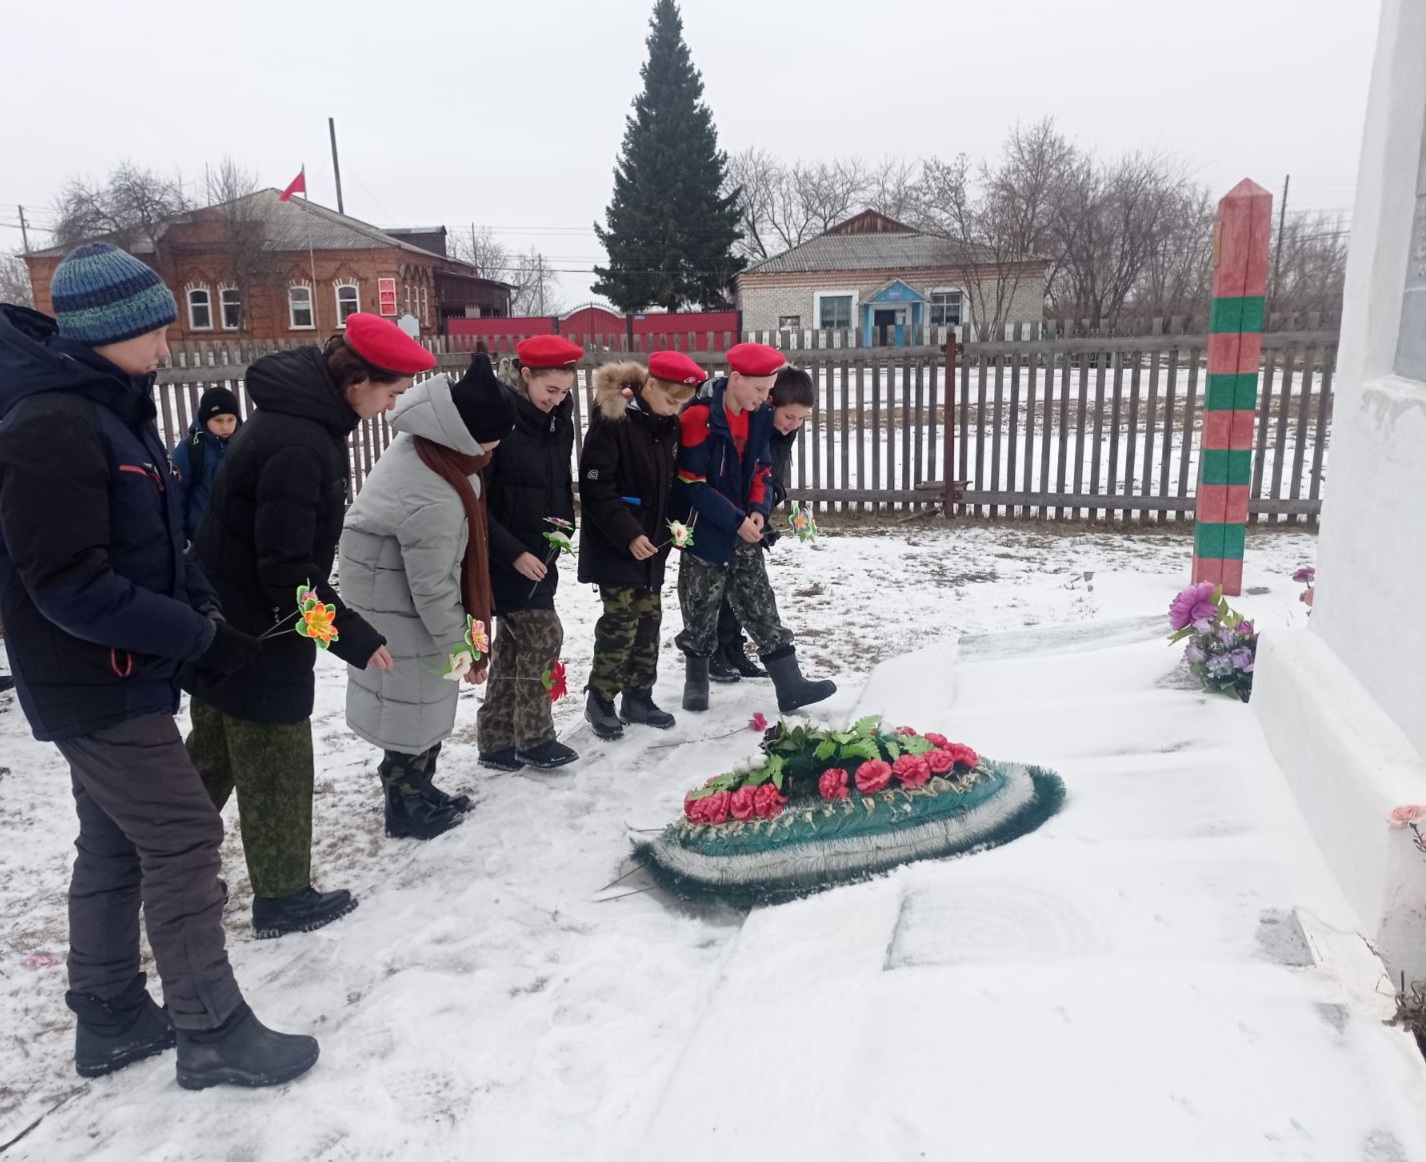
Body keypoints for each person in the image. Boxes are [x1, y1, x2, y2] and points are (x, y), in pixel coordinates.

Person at [0, 242, 318, 1089]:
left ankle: (107, 1015)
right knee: (182, 833)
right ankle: (209, 1027)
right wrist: (192, 635)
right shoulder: (51, 423)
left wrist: (202, 600)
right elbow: (66, 583)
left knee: (117, 841)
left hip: (122, 668)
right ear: (110, 330)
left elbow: (155, 542)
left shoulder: (110, 408)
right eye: (156, 330)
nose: (169, 347)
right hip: (93, 676)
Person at [186, 313, 422, 938]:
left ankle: (160, 864)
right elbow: (287, 570)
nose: (392, 405)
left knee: (208, 758)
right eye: (391, 391)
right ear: (358, 382)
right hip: (258, 636)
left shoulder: (299, 418)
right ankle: (283, 898)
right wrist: (352, 635)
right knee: (275, 763)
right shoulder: (300, 442)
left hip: (225, 623)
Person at [340, 353, 515, 838]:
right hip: (397, 608)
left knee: (428, 698)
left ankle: (422, 787)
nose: (498, 447)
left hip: (399, 597)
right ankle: (405, 803)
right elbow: (432, 586)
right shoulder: (435, 493)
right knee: (412, 705)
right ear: (468, 433)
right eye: (495, 436)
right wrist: (463, 643)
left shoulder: (435, 452)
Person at [675, 342, 836, 715]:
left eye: (769, 391)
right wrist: (737, 520)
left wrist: (760, 511)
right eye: (761, 390)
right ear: (736, 380)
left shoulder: (759, 418)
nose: (766, 398)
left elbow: (764, 470)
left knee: (759, 599)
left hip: (746, 524)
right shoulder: (698, 418)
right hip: (705, 527)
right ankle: (696, 678)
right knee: (700, 601)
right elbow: (692, 483)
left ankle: (789, 683)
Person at [578, 351, 703, 740]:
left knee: (649, 621)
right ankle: (600, 698)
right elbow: (596, 488)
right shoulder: (613, 422)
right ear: (649, 386)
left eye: (680, 405)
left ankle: (638, 696)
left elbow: (668, 486)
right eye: (669, 401)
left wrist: (677, 527)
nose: (673, 411)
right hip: (618, 545)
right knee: (621, 623)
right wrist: (629, 534)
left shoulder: (667, 427)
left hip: (652, 546)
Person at [477, 336, 582, 771]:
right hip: (503, 553)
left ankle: (497, 740)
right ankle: (535, 737)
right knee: (543, 635)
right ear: (525, 376)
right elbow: (478, 502)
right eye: (549, 391)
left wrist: (564, 525)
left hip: (541, 552)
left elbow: (557, 482)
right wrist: (513, 552)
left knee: (514, 648)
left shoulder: (558, 420)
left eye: (564, 392)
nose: (555, 400)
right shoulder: (497, 418)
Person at [710, 365, 816, 682]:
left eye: (800, 420)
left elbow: (775, 474)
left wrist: (766, 505)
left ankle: (733, 648)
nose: (792, 426)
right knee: (721, 586)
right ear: (770, 402)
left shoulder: (783, 429)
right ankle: (714, 652)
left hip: (754, 513)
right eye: (788, 417)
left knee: (743, 585)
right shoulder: (750, 423)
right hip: (726, 514)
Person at [170, 386, 242, 545]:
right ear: (205, 419)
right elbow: (176, 494)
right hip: (202, 538)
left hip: (240, 539)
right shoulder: (191, 448)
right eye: (218, 420)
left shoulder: (244, 444)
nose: (225, 427)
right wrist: (179, 537)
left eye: (231, 420)